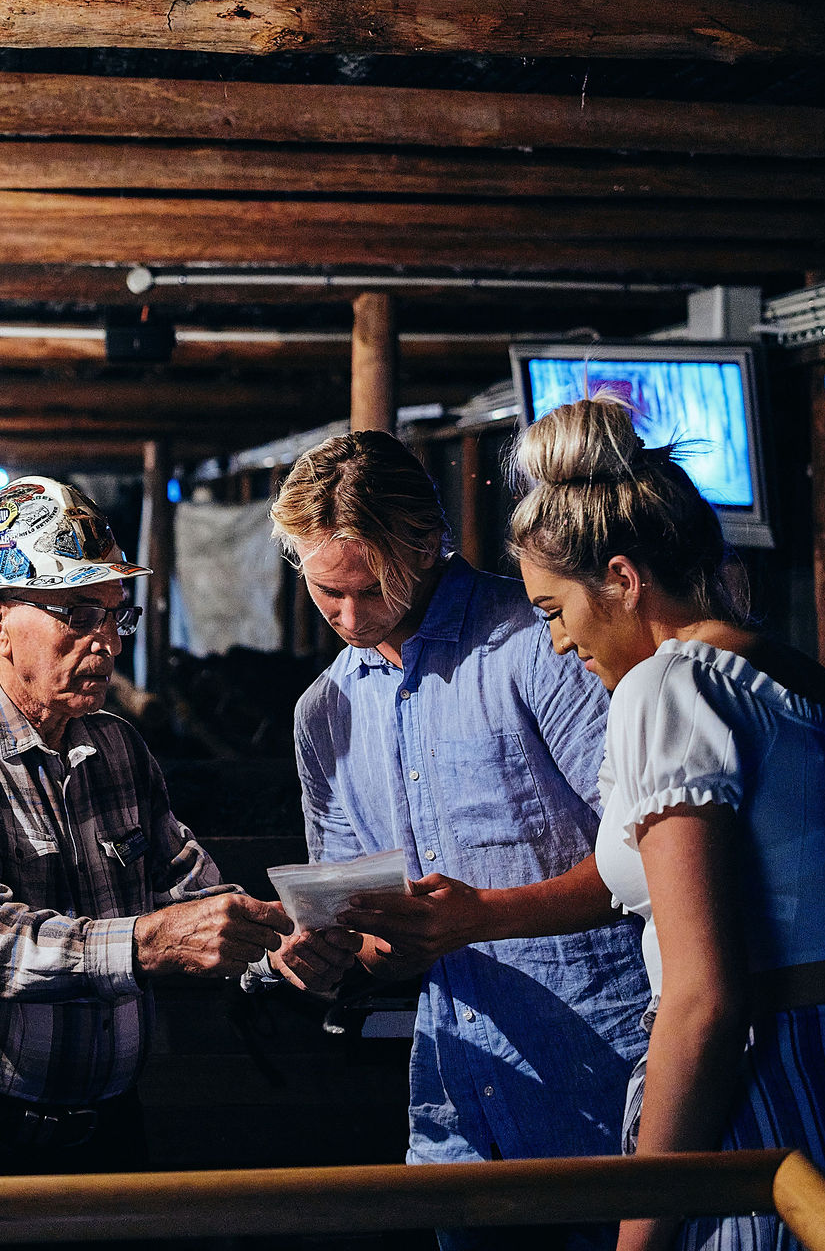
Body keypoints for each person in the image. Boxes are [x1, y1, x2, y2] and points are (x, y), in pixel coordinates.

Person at [505, 396, 825, 1251]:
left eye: (553, 611)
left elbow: (706, 999)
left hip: (775, 1108)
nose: (558, 643)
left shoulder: (669, 687)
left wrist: (640, 1232)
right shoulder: (791, 672)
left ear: (623, 579)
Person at [261, 431, 651, 1229]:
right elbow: (372, 929)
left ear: (430, 543)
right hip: (457, 1100)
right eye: (322, 591)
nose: (345, 615)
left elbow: (656, 854)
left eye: (368, 589)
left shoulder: (543, 644)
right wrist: (329, 956)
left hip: (607, 1075)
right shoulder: (325, 712)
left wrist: (485, 917)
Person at [0, 475, 293, 1178]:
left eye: (116, 615)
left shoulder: (116, 747)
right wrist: (148, 943)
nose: (107, 643)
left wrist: (280, 945)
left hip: (108, 1125)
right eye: (76, 614)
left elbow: (190, 892)